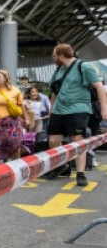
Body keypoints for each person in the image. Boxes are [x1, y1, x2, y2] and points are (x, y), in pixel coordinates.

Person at [43, 44, 107, 186]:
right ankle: (59, 165)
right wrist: (51, 111)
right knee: (53, 140)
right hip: (59, 110)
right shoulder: (58, 70)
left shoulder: (83, 66)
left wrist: (104, 109)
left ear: (60, 56)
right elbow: (55, 91)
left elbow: (99, 87)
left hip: (78, 109)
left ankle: (80, 173)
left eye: (54, 56)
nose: (53, 59)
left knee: (77, 140)